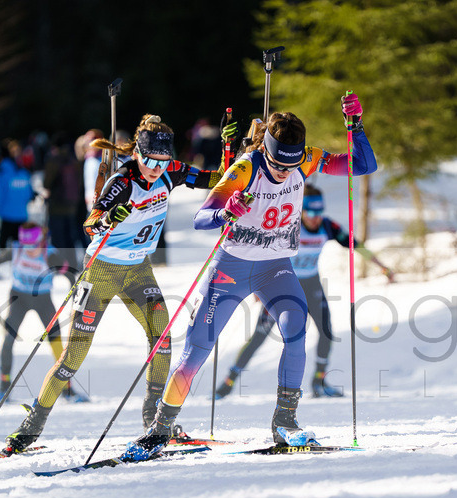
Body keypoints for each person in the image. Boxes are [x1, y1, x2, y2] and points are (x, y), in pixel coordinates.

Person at [126, 93, 378, 459]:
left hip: (276, 268)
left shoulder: (305, 160)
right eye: (277, 164)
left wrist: (355, 127)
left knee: (296, 332)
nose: (282, 172)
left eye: (289, 167)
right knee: (198, 349)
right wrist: (227, 211)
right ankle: (161, 428)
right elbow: (201, 219)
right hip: (232, 268)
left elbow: (362, 165)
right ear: (267, 151)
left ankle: (285, 422)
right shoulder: (246, 168)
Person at [2, 114, 224, 453]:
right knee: (73, 357)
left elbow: (218, 178)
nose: (155, 168)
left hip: (138, 271)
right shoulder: (122, 180)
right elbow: (90, 223)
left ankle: (155, 420)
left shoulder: (171, 171)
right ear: (137, 153)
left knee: (162, 338)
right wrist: (107, 218)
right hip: (102, 271)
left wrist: (228, 148)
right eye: (149, 159)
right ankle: (32, 426)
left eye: (161, 161)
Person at [215, 184, 394, 400]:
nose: (315, 218)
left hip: (311, 285)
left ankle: (319, 382)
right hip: (281, 287)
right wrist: (257, 284)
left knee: (326, 332)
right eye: (310, 212)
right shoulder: (288, 224)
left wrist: (382, 265)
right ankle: (229, 381)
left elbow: (355, 244)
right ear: (301, 210)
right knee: (259, 337)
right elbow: (259, 252)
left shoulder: (327, 227)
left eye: (319, 212)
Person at [0, 222, 77, 402]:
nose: (29, 251)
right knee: (8, 341)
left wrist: (75, 296)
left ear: (41, 241)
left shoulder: (50, 254)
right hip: (18, 299)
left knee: (56, 342)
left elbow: (70, 275)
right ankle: (4, 387)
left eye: (33, 246)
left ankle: (67, 388)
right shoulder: (16, 250)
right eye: (26, 246)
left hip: (43, 300)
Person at [42, 132, 84, 278]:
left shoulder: (54, 160)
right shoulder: (73, 160)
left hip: (56, 206)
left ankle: (60, 267)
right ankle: (72, 264)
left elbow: (47, 183)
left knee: (58, 238)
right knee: (70, 238)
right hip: (72, 205)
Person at [0, 139, 35, 248]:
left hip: (7, 217)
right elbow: (29, 195)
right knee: (20, 248)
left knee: (3, 246)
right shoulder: (24, 173)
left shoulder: (3, 174)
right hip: (22, 216)